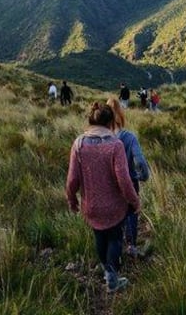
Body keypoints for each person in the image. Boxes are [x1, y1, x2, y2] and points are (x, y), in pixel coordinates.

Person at [66, 101, 141, 293]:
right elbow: (124, 180)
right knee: (115, 239)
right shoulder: (115, 146)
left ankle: (107, 271)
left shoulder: (79, 144)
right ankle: (112, 279)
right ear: (110, 123)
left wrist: (72, 200)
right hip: (114, 207)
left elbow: (72, 179)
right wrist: (134, 201)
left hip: (91, 206)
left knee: (99, 237)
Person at [109, 98, 151, 258]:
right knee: (132, 212)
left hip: (111, 182)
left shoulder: (103, 138)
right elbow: (140, 160)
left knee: (114, 214)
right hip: (130, 181)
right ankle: (131, 245)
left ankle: (115, 247)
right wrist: (143, 176)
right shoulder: (130, 137)